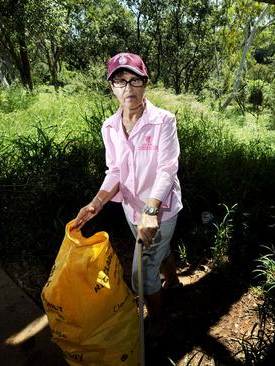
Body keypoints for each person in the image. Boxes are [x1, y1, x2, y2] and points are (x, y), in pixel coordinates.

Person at [72, 52, 183, 339]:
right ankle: (172, 281)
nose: (128, 89)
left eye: (134, 80)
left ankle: (160, 322)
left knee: (140, 276)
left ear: (146, 83)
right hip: (131, 210)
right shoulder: (109, 127)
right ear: (112, 87)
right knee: (158, 249)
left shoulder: (163, 121)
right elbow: (115, 172)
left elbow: (167, 168)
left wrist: (151, 211)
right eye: (120, 82)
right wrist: (96, 203)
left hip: (161, 211)